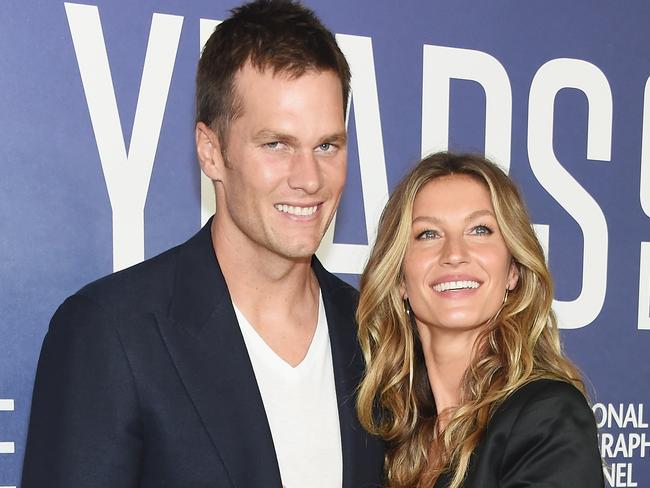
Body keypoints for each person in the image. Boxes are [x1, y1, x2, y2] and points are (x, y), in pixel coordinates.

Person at [21, 1, 384, 486]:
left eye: (327, 146)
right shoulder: (110, 334)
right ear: (211, 152)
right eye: (276, 144)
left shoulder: (372, 335)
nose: (309, 179)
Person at [356, 152, 603, 487]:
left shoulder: (547, 416)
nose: (455, 254)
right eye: (428, 234)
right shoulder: (389, 436)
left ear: (513, 270)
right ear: (400, 278)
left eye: (480, 230)